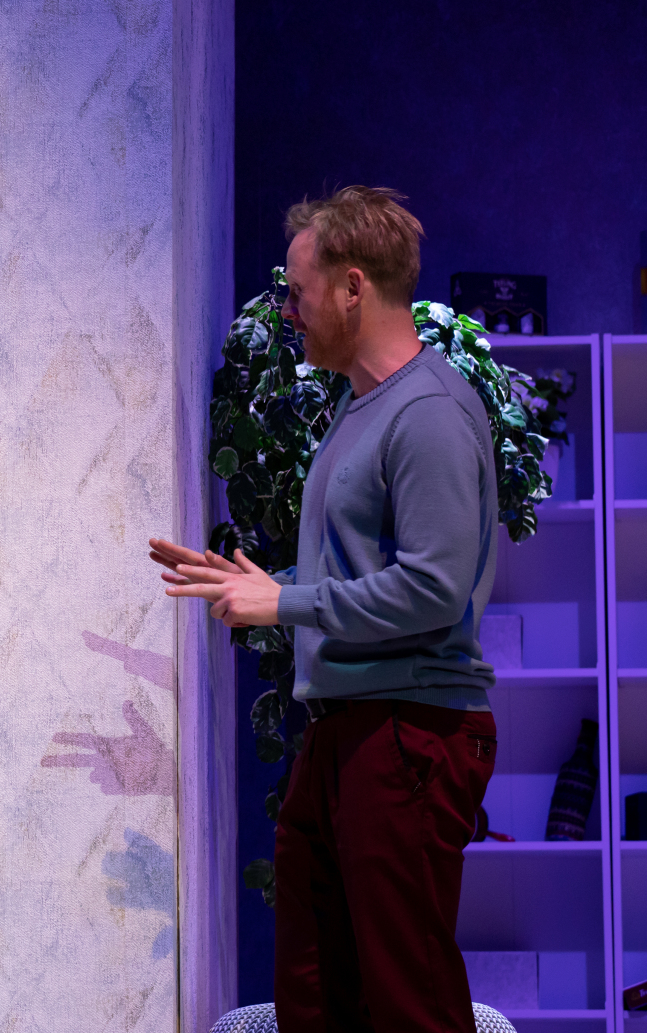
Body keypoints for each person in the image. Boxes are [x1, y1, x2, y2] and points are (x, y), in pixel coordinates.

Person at [149, 186, 497, 1033]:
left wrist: (285, 600)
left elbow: (433, 590)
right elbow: (362, 569)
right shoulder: (360, 405)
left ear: (352, 287)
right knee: (314, 993)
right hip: (344, 731)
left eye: (299, 291)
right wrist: (255, 584)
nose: (289, 311)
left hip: (408, 731)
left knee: (410, 1000)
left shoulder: (430, 412)